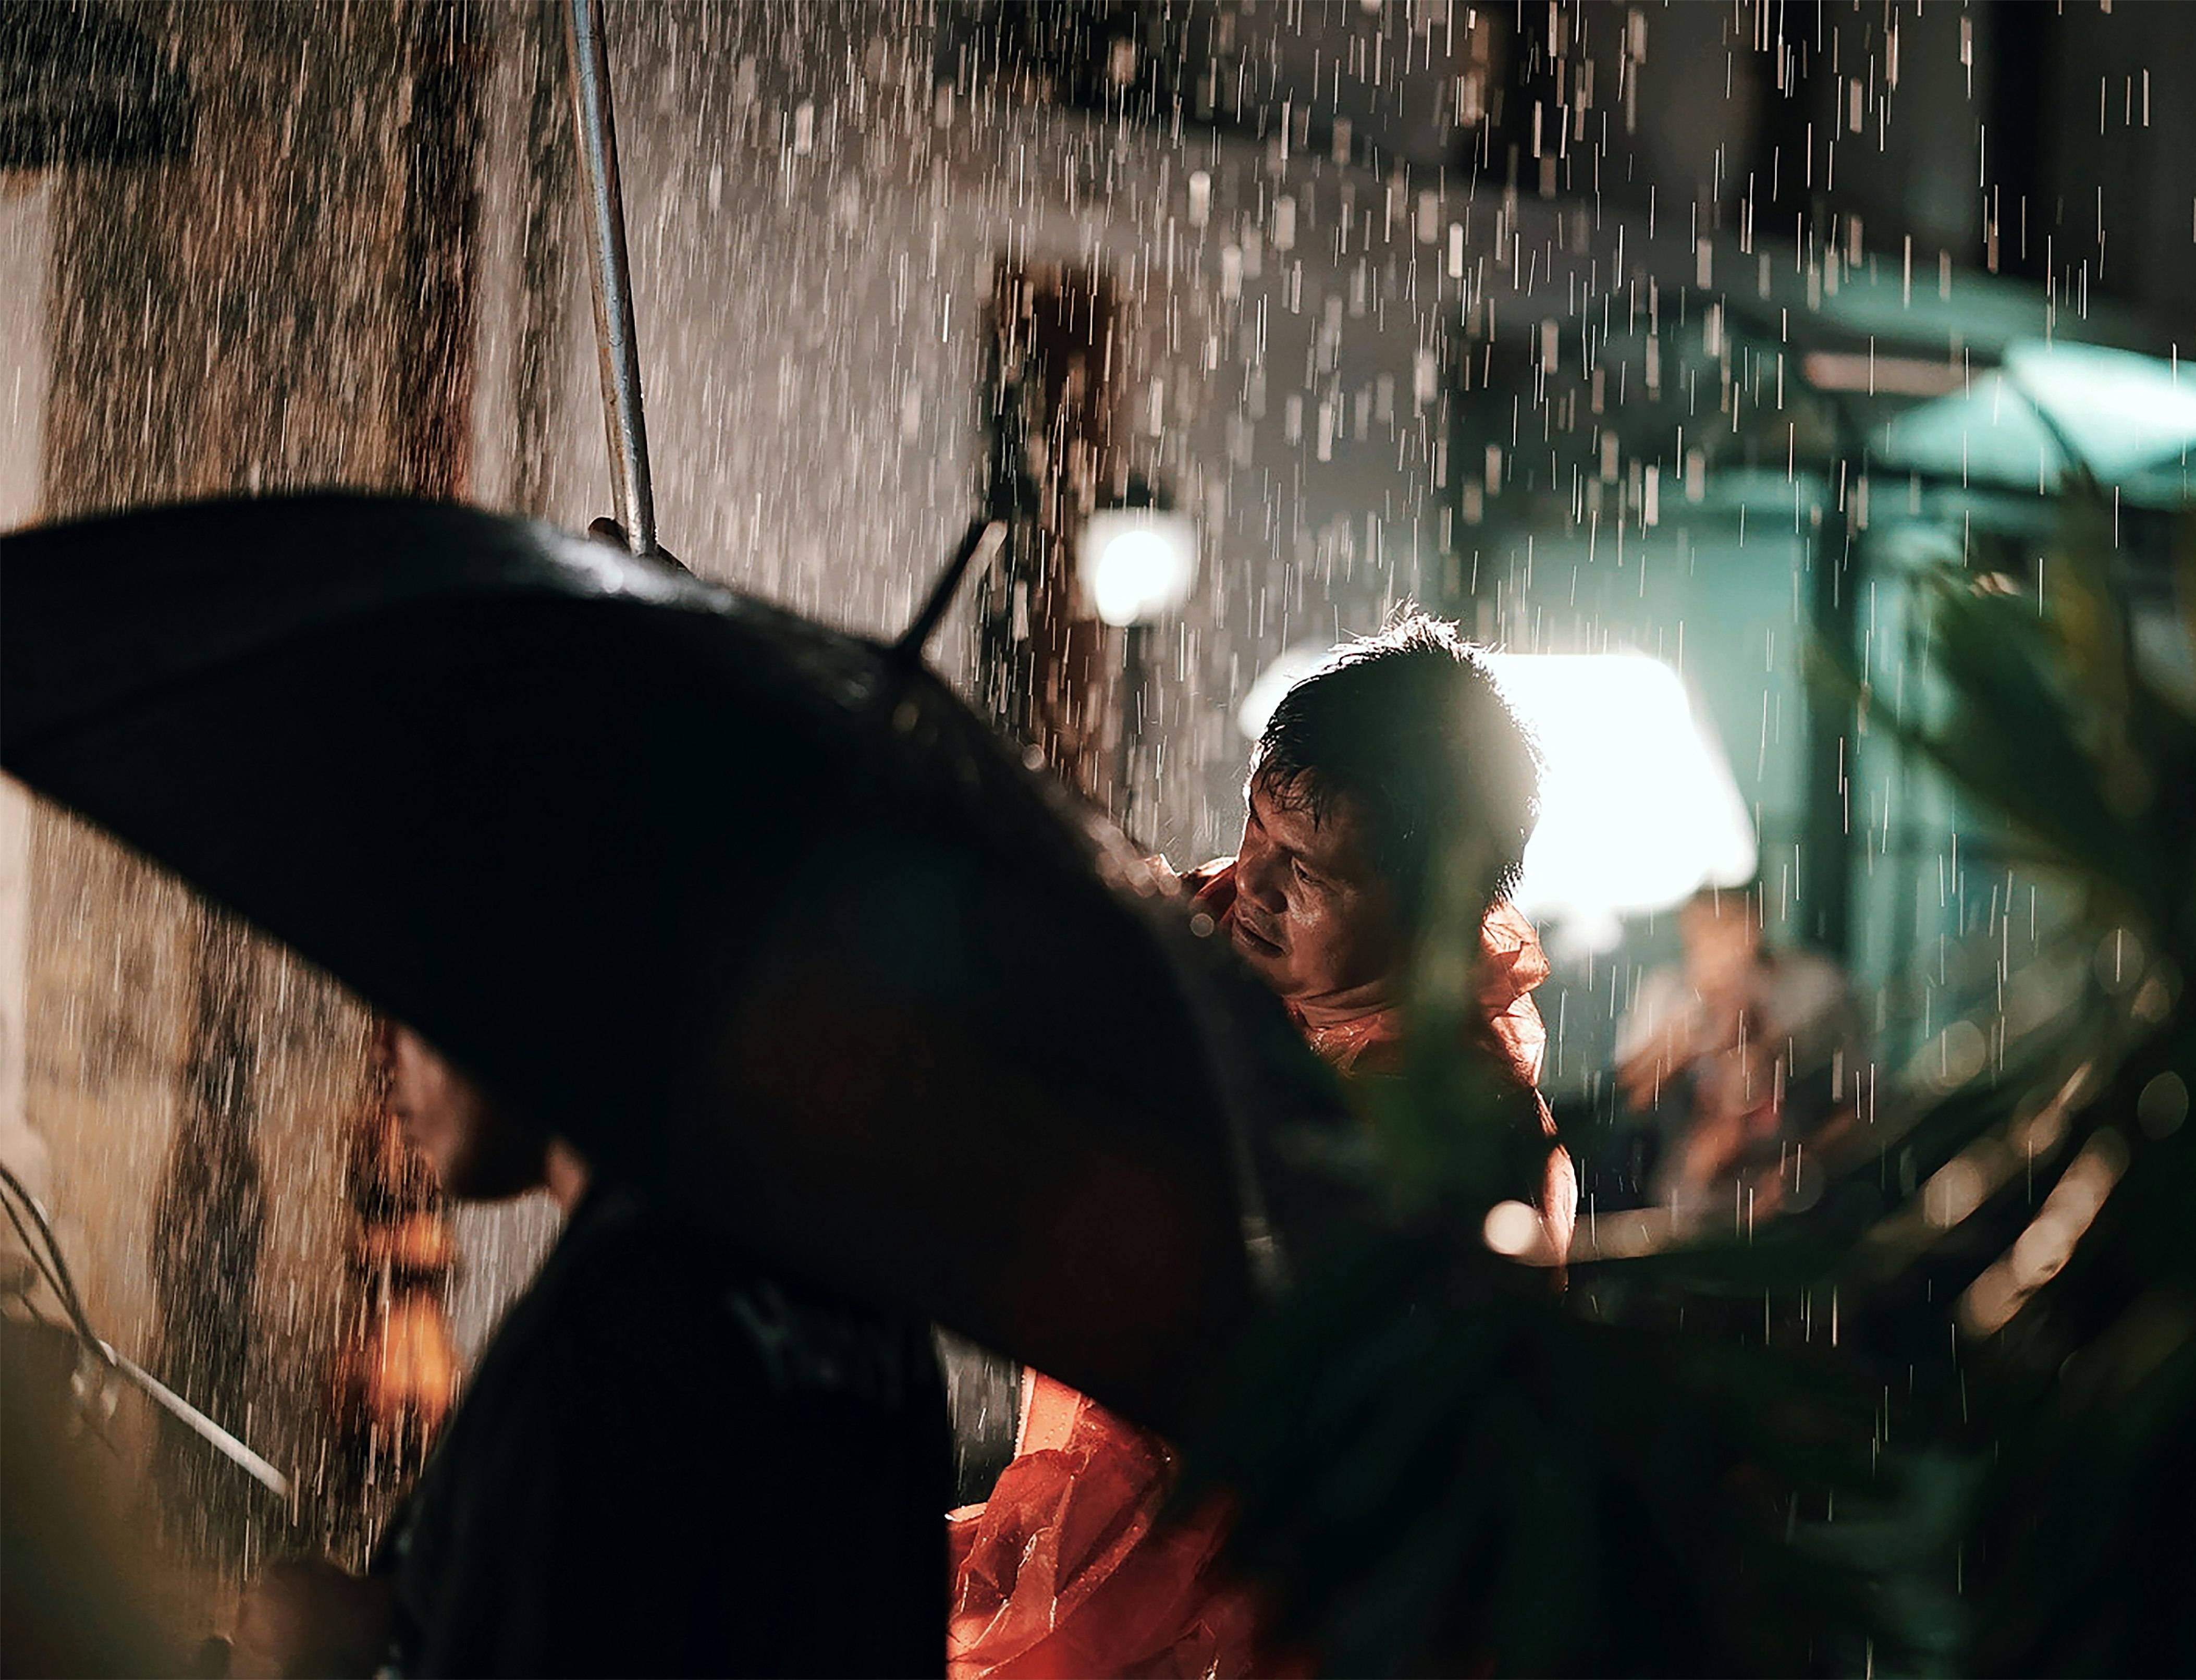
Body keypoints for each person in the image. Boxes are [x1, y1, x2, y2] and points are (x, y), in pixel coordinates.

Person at [946, 615, 1571, 1679]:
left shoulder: (1449, 1127)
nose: (1254, 885)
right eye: (1255, 830)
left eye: (1311, 873)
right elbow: (1019, 902)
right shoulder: (1206, 936)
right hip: (1108, 1531)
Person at [229, 1025, 950, 1678]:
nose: (382, 1056)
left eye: (414, 1005)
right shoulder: (860, 1301)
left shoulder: (597, 1331)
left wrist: (320, 1654)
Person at [1614, 880, 1866, 1223]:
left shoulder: (1816, 989)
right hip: (1685, 1206)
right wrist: (1685, 1035)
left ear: (1757, 921)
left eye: (1731, 922)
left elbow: (1862, 1102)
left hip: (1805, 1208)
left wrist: (1803, 1168)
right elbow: (1629, 1099)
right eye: (1704, 928)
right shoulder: (1666, 993)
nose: (1721, 943)